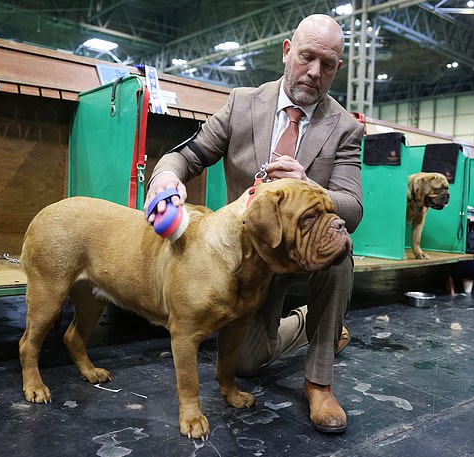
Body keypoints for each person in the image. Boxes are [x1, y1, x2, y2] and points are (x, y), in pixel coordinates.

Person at [144, 14, 363, 433]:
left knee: (340, 247)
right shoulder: (243, 103)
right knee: (245, 364)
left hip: (302, 252)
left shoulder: (345, 128)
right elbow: (186, 154)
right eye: (307, 57)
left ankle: (319, 381)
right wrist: (165, 176)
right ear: (286, 52)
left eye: (328, 64)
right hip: (248, 255)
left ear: (338, 69)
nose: (314, 72)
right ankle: (312, 325)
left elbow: (351, 206)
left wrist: (308, 185)